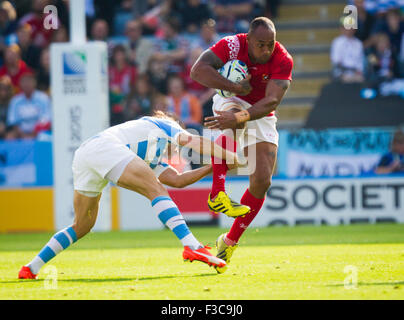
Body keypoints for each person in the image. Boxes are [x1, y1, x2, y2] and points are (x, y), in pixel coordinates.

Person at [18, 111, 243, 279]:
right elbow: (195, 141)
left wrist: (213, 165)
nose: (177, 147)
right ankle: (192, 246)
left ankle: (31, 268)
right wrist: (228, 155)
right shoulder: (165, 125)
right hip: (105, 148)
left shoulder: (149, 157)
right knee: (155, 190)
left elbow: (178, 180)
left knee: (82, 225)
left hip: (86, 155)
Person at [190, 16, 293, 273]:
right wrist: (235, 87)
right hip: (233, 99)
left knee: (262, 181)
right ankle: (217, 193)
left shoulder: (282, 59)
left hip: (260, 112)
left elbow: (271, 102)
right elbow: (198, 71)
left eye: (271, 44)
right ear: (248, 40)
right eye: (261, 44)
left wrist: (242, 116)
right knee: (233, 116)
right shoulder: (232, 45)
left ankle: (229, 240)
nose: (267, 50)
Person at [6, 71, 51, 139]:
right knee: (9, 137)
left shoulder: (43, 98)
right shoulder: (15, 100)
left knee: (44, 136)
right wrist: (23, 135)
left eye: (29, 81)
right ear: (20, 84)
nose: (27, 84)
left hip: (39, 131)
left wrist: (34, 134)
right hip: (20, 132)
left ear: (35, 83)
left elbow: (46, 119)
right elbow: (14, 121)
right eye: (24, 82)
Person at [331, 19, 365, 83]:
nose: (349, 30)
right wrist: (345, 72)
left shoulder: (358, 43)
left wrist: (358, 72)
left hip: (355, 73)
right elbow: (336, 61)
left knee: (361, 79)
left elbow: (360, 62)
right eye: (347, 27)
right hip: (341, 72)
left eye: (351, 27)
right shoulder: (337, 42)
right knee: (346, 78)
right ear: (342, 29)